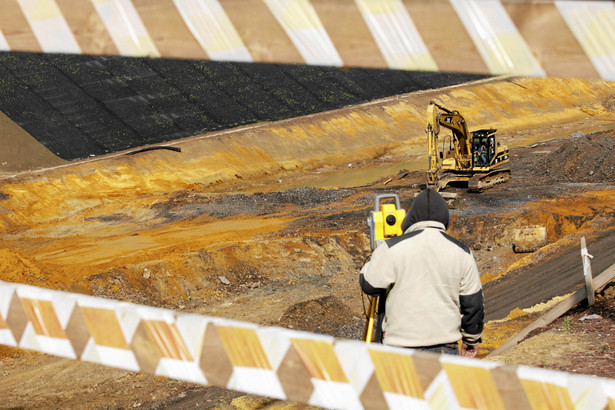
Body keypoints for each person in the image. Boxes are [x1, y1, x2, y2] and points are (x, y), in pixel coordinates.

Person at [360, 188, 484, 357]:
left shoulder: (391, 249)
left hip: (399, 350)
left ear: (410, 217)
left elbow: (369, 285)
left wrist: (375, 256)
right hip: (444, 348)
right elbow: (473, 303)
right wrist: (471, 340)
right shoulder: (462, 252)